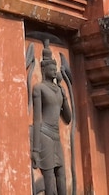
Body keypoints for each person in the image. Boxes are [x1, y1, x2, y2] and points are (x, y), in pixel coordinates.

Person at [32, 41, 72, 195]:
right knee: (49, 176)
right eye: (51, 68)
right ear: (43, 69)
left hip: (56, 136)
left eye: (55, 68)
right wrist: (35, 150)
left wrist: (65, 96)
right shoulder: (39, 89)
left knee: (61, 174)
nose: (54, 71)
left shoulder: (59, 90)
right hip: (44, 134)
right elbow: (36, 120)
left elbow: (68, 119)